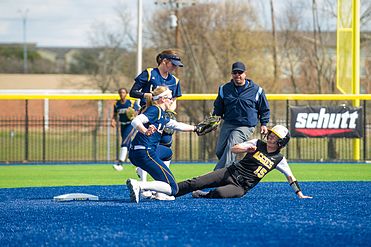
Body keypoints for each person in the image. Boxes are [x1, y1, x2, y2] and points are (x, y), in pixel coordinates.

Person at [175, 125, 312, 199]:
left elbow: (290, 177)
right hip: (229, 172)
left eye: (275, 137)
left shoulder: (279, 159)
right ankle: (170, 191)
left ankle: (204, 195)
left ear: (281, 142)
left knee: (219, 193)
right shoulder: (257, 143)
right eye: (271, 134)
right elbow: (234, 149)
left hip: (241, 187)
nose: (270, 137)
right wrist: (245, 148)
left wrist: (299, 194)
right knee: (196, 182)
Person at [126, 86, 198, 203]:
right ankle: (140, 185)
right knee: (174, 189)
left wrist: (197, 128)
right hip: (145, 152)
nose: (172, 101)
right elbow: (135, 121)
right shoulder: (155, 110)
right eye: (170, 98)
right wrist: (145, 131)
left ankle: (159, 189)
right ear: (163, 99)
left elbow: (176, 125)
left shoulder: (162, 114)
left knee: (167, 152)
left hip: (137, 152)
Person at [129, 50, 183, 182]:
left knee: (165, 147)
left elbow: (174, 100)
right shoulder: (149, 73)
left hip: (164, 117)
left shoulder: (174, 80)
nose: (175, 67)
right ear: (164, 61)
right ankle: (143, 182)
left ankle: (161, 184)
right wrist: (145, 95)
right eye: (173, 64)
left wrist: (170, 111)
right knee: (148, 146)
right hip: (149, 114)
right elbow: (133, 92)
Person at [212, 61, 270, 171]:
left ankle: (216, 176)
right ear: (231, 74)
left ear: (245, 74)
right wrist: (215, 121)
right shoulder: (224, 89)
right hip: (229, 123)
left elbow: (264, 109)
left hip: (246, 125)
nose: (237, 75)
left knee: (232, 145)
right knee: (220, 151)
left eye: (240, 72)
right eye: (235, 72)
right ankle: (234, 171)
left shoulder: (257, 90)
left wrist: (264, 124)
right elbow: (218, 107)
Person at [111, 88, 140, 171]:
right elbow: (115, 114)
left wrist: (134, 113)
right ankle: (136, 162)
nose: (121, 94)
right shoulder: (117, 104)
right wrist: (113, 121)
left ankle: (120, 163)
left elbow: (138, 111)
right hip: (123, 125)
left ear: (126, 93)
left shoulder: (131, 102)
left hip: (131, 124)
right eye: (120, 92)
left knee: (124, 142)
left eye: (123, 92)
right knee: (128, 144)